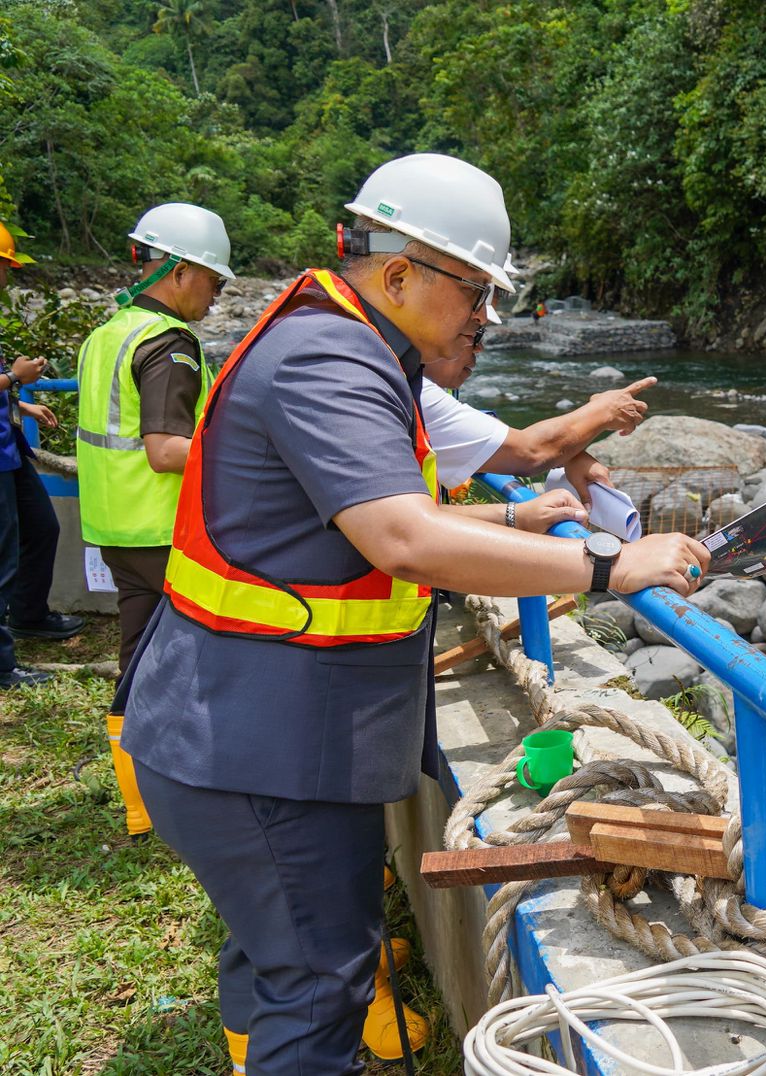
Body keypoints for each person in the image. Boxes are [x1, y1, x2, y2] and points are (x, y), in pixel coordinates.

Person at [118, 152, 709, 1075]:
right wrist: (611, 564)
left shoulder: (353, 346)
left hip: (253, 725)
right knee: (318, 987)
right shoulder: (327, 360)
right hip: (253, 744)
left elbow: (373, 518)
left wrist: (511, 519)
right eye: (476, 291)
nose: (485, 316)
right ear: (399, 274)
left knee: (287, 949)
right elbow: (402, 537)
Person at [75, 202, 232, 838]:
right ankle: (195, 800)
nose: (216, 296)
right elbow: (166, 450)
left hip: (117, 525)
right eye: (213, 280)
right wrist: (251, 454)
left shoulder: (109, 333)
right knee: (200, 667)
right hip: (166, 531)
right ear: (181, 270)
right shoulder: (169, 343)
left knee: (139, 659)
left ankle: (141, 807)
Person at [0, 221, 78, 688]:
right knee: (1, 556)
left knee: (42, 528)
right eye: (5, 266)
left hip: (9, 449)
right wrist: (15, 378)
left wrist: (19, 402)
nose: (6, 277)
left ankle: (29, 614)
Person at [421, 341, 655, 494]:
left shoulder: (413, 384)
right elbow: (530, 452)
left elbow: (496, 434)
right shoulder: (419, 393)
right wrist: (604, 410)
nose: (479, 347)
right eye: (472, 332)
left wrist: (568, 454)